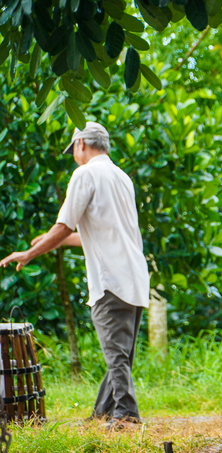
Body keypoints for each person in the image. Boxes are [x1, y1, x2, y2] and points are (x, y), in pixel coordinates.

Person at [0, 122, 149, 429]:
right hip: (134, 277)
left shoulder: (86, 174)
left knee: (115, 354)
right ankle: (103, 413)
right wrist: (48, 239)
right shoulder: (121, 177)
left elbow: (65, 225)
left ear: (80, 144)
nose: (74, 156)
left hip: (111, 278)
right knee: (120, 351)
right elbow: (87, 234)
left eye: (73, 150)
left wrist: (29, 254)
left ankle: (126, 415)